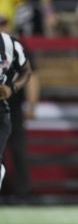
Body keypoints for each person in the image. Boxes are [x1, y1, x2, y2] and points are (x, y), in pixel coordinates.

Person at [0, 32, 32, 191]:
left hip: (4, 109)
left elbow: (27, 70)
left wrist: (12, 87)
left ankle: (21, 192)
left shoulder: (10, 44)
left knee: (16, 150)